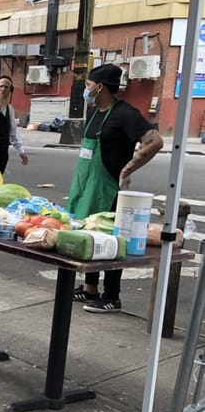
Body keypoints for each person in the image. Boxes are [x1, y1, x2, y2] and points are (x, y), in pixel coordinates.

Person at [67, 63, 163, 313]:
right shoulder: (96, 112)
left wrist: (127, 169)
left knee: (112, 242)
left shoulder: (125, 114)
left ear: (99, 87)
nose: (85, 90)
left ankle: (112, 296)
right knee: (90, 235)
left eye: (88, 86)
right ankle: (90, 289)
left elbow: (154, 141)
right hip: (87, 184)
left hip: (109, 187)